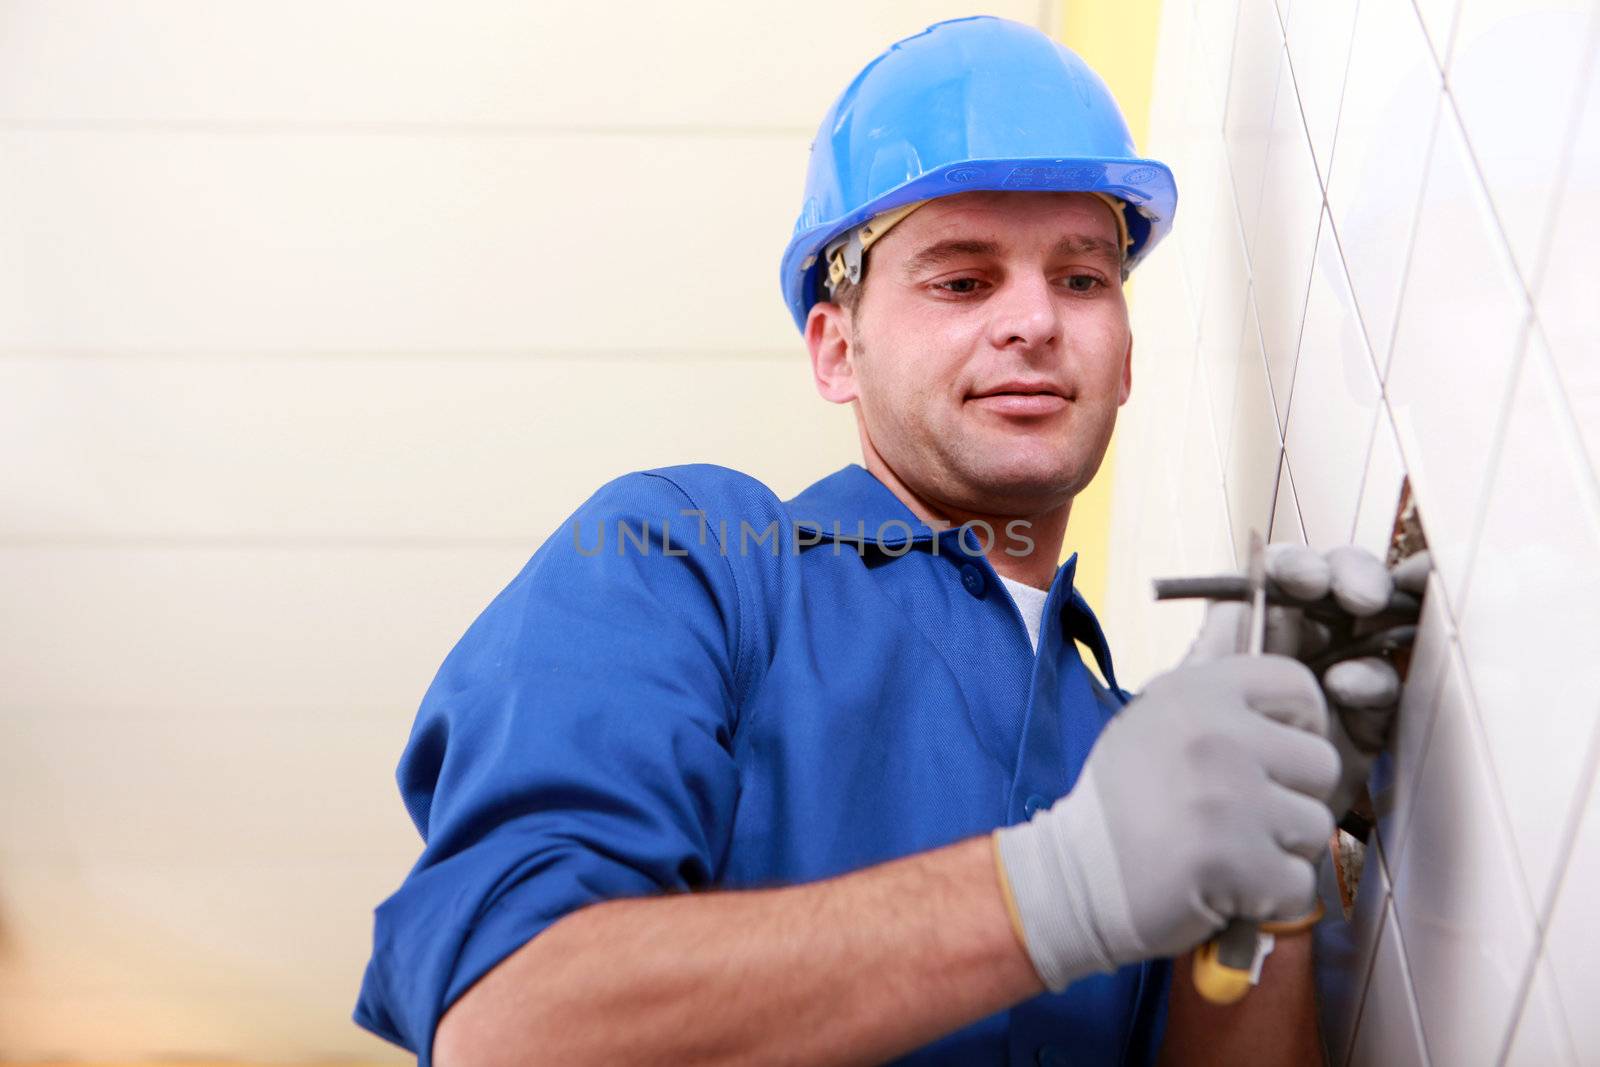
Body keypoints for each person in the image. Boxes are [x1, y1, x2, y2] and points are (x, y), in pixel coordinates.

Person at [354, 16, 1424, 1065]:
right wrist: (1061, 886)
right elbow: (514, 1023)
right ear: (836, 350)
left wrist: (1271, 861)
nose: (1034, 322)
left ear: (1127, 356)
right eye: (962, 279)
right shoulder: (685, 561)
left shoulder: (1137, 754)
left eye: (1082, 277)